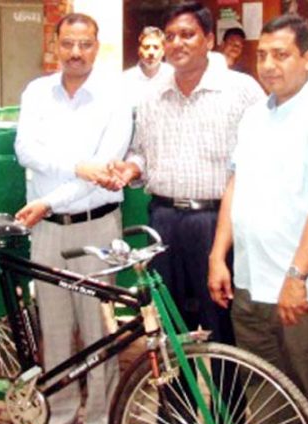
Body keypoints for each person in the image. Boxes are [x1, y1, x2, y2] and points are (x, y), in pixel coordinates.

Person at [208, 14, 308, 424]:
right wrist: (219, 255)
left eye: (282, 55)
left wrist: (297, 276)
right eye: (264, 54)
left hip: (304, 290)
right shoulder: (254, 116)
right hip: (252, 284)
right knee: (266, 395)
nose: (269, 64)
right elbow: (235, 186)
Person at [108, 0, 263, 349]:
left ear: (208, 40)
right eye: (171, 35)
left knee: (220, 326)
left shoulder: (241, 91)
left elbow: (259, 162)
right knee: (167, 326)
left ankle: (225, 406)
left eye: (188, 34)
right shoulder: (152, 95)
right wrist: (131, 168)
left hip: (216, 223)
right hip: (162, 221)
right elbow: (142, 152)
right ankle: (174, 405)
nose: (177, 43)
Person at [13, 12, 132, 424]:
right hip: (47, 231)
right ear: (56, 45)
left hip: (98, 229)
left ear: (96, 47)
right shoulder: (36, 93)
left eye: (85, 44)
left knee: (100, 333)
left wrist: (48, 198)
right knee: (56, 330)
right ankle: (61, 419)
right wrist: (75, 165)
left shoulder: (116, 98)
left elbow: (103, 173)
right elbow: (25, 149)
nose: (76, 53)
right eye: (68, 44)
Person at [122, 26, 172, 108]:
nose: (151, 52)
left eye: (156, 47)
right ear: (139, 50)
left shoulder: (173, 77)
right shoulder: (125, 80)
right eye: (146, 47)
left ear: (163, 51)